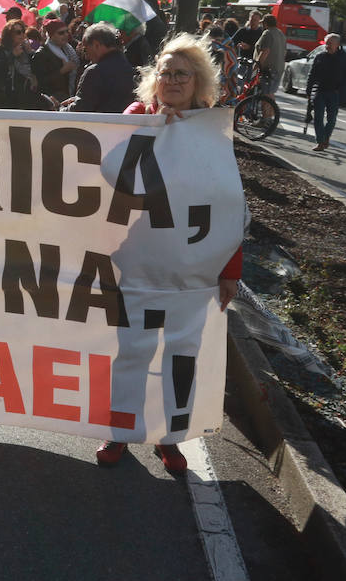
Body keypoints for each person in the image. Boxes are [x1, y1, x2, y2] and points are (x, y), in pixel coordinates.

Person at [95, 32, 242, 473]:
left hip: (193, 270)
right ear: (153, 79)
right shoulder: (138, 116)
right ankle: (119, 433)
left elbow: (230, 205)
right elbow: (110, 170)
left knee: (181, 357)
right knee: (133, 352)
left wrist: (229, 269)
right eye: (166, 73)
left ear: (199, 82)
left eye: (183, 74)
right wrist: (151, 129)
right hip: (138, 262)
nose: (173, 81)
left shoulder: (213, 131)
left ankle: (171, 439)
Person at [62, 23, 136, 113]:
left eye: (85, 49)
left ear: (96, 45)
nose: (86, 56)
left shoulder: (94, 72)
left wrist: (62, 109)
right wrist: (77, 100)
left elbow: (81, 109)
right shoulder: (129, 68)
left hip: (99, 125)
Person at [307, 33, 346, 152]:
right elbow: (312, 74)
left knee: (331, 119)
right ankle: (320, 141)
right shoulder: (320, 56)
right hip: (320, 90)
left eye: (330, 43)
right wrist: (309, 90)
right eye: (326, 43)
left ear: (337, 44)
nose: (327, 46)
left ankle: (326, 137)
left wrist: (343, 90)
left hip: (335, 92)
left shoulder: (345, 58)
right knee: (318, 117)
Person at [0, 20, 49, 110]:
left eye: (23, 31)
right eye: (18, 32)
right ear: (9, 35)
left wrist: (30, 53)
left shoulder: (27, 49)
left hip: (26, 96)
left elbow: (39, 70)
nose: (22, 35)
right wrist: (12, 55)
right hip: (6, 97)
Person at [32, 19, 79, 104]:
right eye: (61, 33)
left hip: (68, 96)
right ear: (51, 35)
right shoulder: (41, 54)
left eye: (66, 32)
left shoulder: (68, 50)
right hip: (52, 101)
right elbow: (41, 82)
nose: (65, 35)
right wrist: (62, 71)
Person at [253, 13, 288, 90]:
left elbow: (265, 51)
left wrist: (255, 67)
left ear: (265, 23)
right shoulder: (281, 33)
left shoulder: (268, 33)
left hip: (268, 70)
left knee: (267, 93)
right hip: (278, 68)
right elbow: (284, 52)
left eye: (262, 23)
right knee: (269, 92)